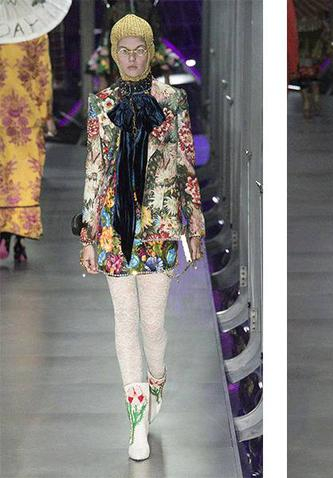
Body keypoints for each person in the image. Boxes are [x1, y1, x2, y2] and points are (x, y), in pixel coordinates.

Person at [79, 14, 205, 461]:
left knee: (153, 324)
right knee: (124, 322)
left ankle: (157, 380)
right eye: (124, 51)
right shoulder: (100, 104)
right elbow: (94, 170)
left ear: (150, 53)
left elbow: (187, 164)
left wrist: (194, 227)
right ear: (113, 55)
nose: (132, 59)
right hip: (114, 228)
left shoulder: (173, 100)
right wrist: (87, 236)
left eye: (139, 51)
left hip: (161, 226)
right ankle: (136, 423)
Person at [0, 34, 56, 263]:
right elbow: (43, 75)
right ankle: (18, 240)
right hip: (25, 115)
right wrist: (46, 115)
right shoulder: (34, 31)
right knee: (23, 176)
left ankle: (3, 234)